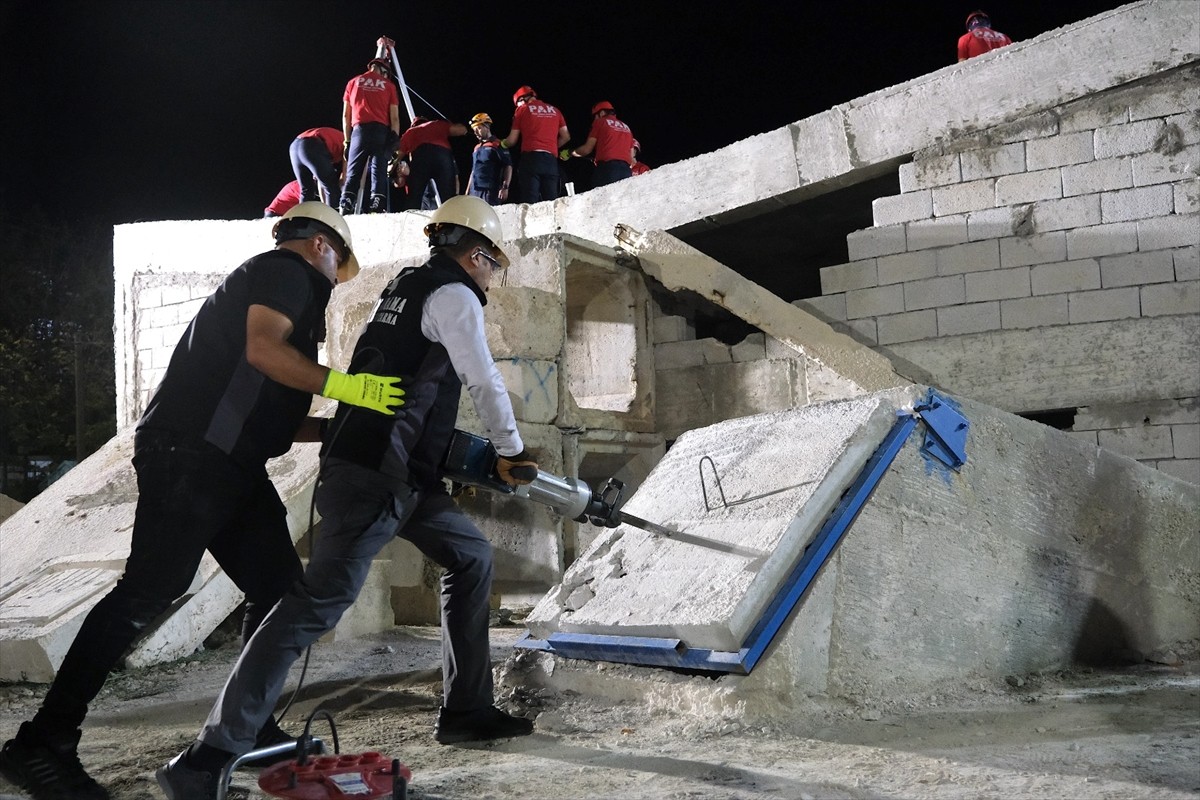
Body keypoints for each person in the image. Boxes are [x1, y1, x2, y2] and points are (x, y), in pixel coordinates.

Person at [0, 203, 405, 800]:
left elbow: (268, 406)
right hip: (192, 455)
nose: (334, 276)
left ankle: (246, 725)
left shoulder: (283, 287)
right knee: (148, 590)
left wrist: (349, 421)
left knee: (277, 585)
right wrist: (347, 387)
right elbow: (265, 353)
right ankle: (42, 743)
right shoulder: (284, 272)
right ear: (323, 244)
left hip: (230, 461)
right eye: (338, 262)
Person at [156, 195, 538, 799]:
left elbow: (413, 397)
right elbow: (482, 378)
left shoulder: (405, 291)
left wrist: (484, 460)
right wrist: (513, 448)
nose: (493, 276)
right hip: (373, 477)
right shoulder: (454, 293)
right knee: (317, 602)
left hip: (405, 475)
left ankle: (465, 712)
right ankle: (206, 757)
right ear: (475, 253)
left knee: (471, 557)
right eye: (494, 264)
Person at [341, 58, 400, 214]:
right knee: (378, 169)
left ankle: (345, 203)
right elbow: (394, 117)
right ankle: (377, 204)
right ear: (384, 70)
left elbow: (346, 116)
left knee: (353, 171)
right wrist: (394, 138)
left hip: (359, 131)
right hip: (381, 132)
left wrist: (347, 141)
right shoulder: (389, 86)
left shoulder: (352, 82)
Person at [502, 85, 569, 204]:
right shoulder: (555, 110)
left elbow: (512, 140)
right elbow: (566, 137)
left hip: (531, 160)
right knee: (551, 202)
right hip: (550, 162)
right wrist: (551, 146)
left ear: (521, 100)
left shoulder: (522, 110)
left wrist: (502, 143)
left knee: (529, 202)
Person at [396, 116, 469, 210]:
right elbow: (461, 130)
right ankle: (451, 218)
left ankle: (411, 217)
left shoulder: (410, 132)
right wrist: (464, 128)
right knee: (448, 197)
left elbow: (397, 156)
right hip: (443, 156)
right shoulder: (436, 124)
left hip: (421, 157)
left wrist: (389, 168)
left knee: (414, 196)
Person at [566, 101, 635, 188]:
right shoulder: (626, 127)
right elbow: (631, 157)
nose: (594, 120)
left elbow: (587, 149)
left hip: (608, 170)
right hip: (626, 172)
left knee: (602, 199)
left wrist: (569, 152)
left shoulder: (600, 122)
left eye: (594, 116)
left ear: (601, 113)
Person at [289, 126, 346, 208]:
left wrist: (324, 205)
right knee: (332, 187)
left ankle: (302, 219)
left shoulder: (333, 147)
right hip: (313, 145)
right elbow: (345, 175)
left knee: (306, 190)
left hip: (294, 146)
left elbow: (320, 182)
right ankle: (330, 219)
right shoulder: (349, 144)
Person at [465, 112, 512, 205]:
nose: (476, 132)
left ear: (487, 127)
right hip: (474, 192)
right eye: (474, 130)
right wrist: (467, 192)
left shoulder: (497, 144)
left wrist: (505, 188)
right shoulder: (476, 148)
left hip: (490, 192)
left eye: (479, 128)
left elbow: (508, 166)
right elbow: (473, 171)